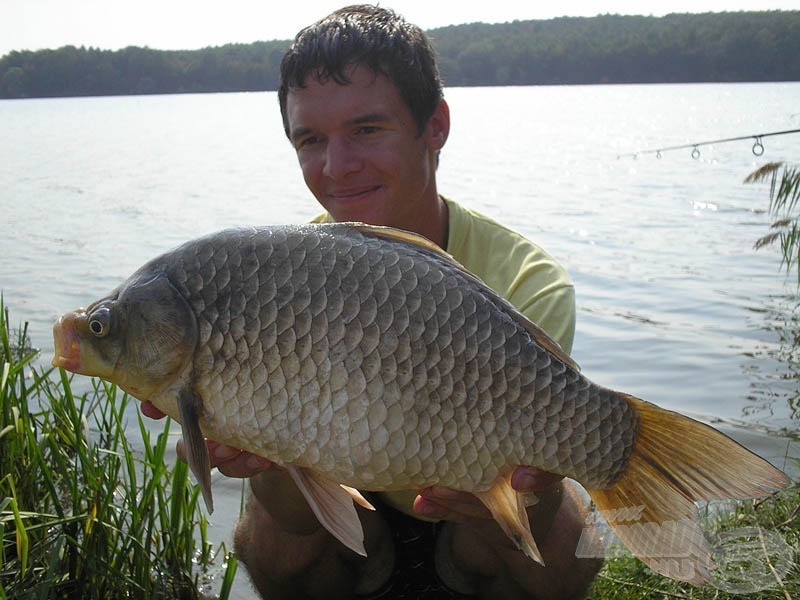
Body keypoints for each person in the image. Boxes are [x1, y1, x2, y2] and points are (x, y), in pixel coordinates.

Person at [143, 4, 602, 598]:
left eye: (366, 130)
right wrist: (262, 458)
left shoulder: (525, 281)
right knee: (268, 536)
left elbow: (532, 481)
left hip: (471, 515)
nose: (337, 168)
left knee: (563, 540)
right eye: (310, 140)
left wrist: (526, 499)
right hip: (352, 511)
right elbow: (295, 503)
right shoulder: (277, 276)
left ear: (434, 126)